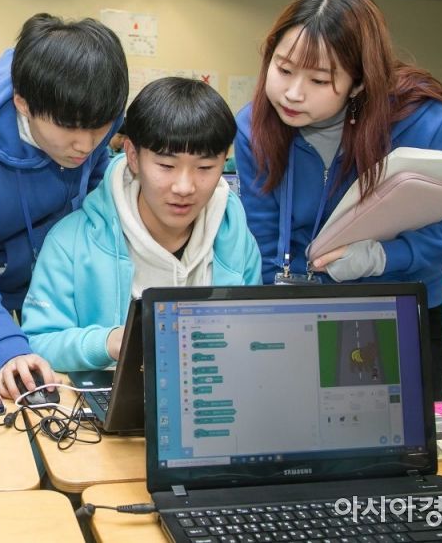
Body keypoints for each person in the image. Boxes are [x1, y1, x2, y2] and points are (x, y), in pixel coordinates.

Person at [234, 0, 442, 401]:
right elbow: (262, 235)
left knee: (389, 434)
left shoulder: (420, 122)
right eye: (283, 69)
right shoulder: (254, 126)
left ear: (358, 83)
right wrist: (269, 319)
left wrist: (385, 256)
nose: (293, 93)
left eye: (319, 79)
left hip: (394, 309)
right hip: (294, 309)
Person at [0, 12, 128, 398]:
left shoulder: (93, 116)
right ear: (23, 103)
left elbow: (98, 198)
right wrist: (9, 349)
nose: (86, 145)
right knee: (12, 379)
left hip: (64, 287)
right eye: (69, 127)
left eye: (99, 127)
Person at [21, 78, 262, 371]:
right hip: (107, 398)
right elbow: (38, 342)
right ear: (133, 157)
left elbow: (253, 336)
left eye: (205, 167)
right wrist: (110, 342)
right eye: (166, 166)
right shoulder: (70, 242)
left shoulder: (236, 239)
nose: (184, 187)